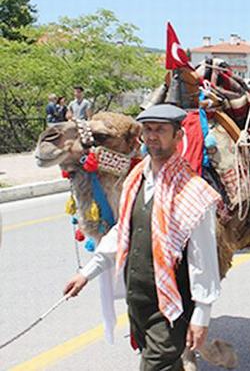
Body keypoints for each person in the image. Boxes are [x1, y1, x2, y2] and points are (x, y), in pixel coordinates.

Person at [63, 104, 222, 370]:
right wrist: (86, 274)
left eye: (161, 130)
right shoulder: (135, 179)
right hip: (138, 302)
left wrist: (202, 315)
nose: (152, 136)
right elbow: (122, 232)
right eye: (148, 129)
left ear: (178, 136)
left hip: (170, 306)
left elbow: (202, 259)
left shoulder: (195, 192)